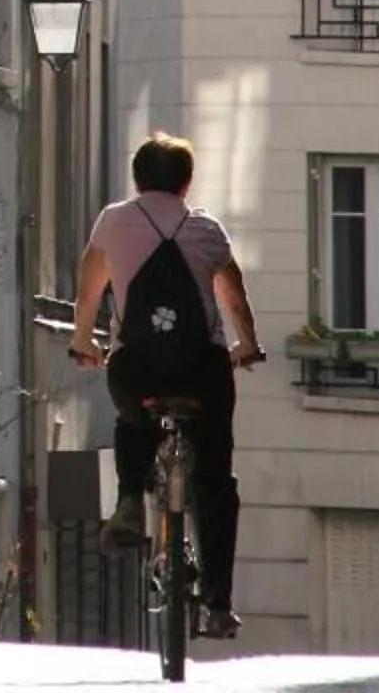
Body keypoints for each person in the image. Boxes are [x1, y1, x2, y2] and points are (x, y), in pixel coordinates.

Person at [70, 132, 263, 642]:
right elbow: (234, 298)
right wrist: (248, 344)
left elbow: (90, 287)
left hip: (138, 367)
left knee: (133, 418)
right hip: (203, 371)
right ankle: (219, 603)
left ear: (137, 179)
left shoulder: (114, 221)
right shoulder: (206, 229)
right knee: (216, 480)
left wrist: (83, 341)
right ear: (186, 182)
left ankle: (131, 498)